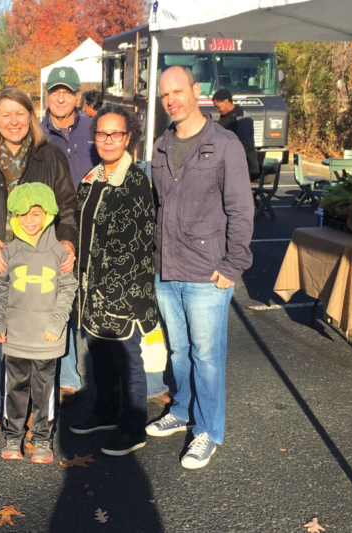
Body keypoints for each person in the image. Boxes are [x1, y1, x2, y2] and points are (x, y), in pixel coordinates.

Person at [0, 86, 78, 450]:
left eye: (20, 114)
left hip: (39, 270)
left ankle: (33, 418)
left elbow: (67, 206)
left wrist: (67, 242)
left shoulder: (49, 156)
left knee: (35, 348)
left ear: (31, 116)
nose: (13, 121)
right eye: (5, 114)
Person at [146, 66, 253, 469]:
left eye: (177, 91)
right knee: (179, 349)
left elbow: (241, 209)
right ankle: (183, 409)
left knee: (207, 355)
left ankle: (208, 430)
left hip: (208, 272)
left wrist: (234, 263)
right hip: (167, 269)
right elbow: (158, 206)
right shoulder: (161, 146)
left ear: (195, 91)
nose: (171, 100)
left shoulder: (224, 144)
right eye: (164, 95)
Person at [68, 104, 158, 457]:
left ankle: (133, 427)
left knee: (127, 360)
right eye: (102, 133)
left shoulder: (135, 182)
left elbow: (135, 245)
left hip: (122, 293)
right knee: (100, 356)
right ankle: (105, 412)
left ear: (128, 137)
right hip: (91, 290)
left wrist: (109, 290)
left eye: (115, 133)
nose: (108, 140)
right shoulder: (92, 179)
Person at [0, 183, 78, 464]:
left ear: (48, 214)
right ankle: (12, 436)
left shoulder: (60, 253)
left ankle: (42, 439)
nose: (29, 221)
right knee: (14, 388)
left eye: (36, 214)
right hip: (16, 337)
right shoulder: (9, 252)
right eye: (23, 214)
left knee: (44, 390)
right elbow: (1, 289)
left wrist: (56, 324)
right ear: (14, 217)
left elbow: (68, 289)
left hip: (46, 338)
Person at [40, 66, 100, 405]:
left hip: (93, 228)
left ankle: (103, 374)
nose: (60, 98)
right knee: (59, 303)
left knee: (95, 302)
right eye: (55, 91)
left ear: (78, 95)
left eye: (67, 91)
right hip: (54, 231)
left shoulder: (95, 128)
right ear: (47, 95)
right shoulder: (36, 133)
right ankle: (67, 378)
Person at [212, 89, 259, 176]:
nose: (217, 110)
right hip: (228, 163)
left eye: (217, 106)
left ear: (226, 101)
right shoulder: (225, 116)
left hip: (242, 165)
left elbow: (245, 145)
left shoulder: (242, 118)